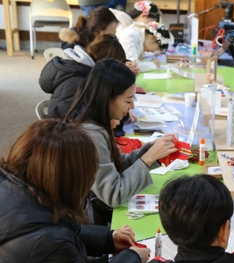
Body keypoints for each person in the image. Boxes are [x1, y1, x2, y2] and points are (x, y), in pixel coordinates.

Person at [0, 119, 150, 263]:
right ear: (71, 178)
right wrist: (133, 258)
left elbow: (61, 230)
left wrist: (108, 239)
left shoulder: (18, 190)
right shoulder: (45, 243)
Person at [65, 59, 177, 220]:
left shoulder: (95, 121)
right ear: (107, 98)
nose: (132, 106)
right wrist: (149, 157)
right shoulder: (90, 134)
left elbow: (116, 165)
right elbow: (113, 195)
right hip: (89, 218)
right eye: (127, 100)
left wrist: (150, 149)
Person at [39, 34, 128, 118]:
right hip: (63, 131)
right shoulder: (80, 81)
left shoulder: (85, 71)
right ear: (104, 62)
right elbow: (78, 120)